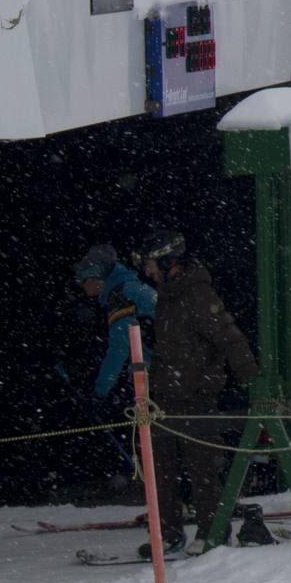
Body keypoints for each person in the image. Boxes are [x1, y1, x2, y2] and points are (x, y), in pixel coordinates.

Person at [133, 233, 258, 556]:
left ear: (166, 262)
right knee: (160, 468)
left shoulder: (198, 296)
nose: (147, 272)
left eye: (150, 265)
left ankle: (212, 531)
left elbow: (231, 339)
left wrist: (253, 384)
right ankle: (168, 533)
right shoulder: (167, 297)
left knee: (203, 468)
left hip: (196, 397)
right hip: (165, 397)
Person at [75, 243, 155, 406]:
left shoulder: (120, 296)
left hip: (168, 365)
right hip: (177, 360)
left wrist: (99, 392)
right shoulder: (130, 287)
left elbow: (119, 348)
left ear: (95, 277)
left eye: (83, 281)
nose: (82, 287)